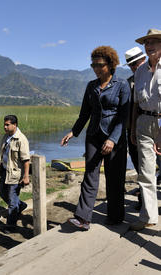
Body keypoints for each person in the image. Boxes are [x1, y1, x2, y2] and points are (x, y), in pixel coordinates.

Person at [61, 46, 130, 230]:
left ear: (110, 64)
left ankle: (115, 216)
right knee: (90, 175)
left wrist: (113, 139)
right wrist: (73, 132)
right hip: (93, 135)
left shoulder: (122, 85)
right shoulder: (91, 86)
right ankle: (83, 218)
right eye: (93, 65)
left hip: (114, 138)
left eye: (100, 65)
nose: (96, 68)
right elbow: (84, 113)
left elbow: (124, 116)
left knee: (114, 178)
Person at [131, 29, 161, 231]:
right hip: (143, 123)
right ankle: (148, 216)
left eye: (153, 42)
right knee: (146, 172)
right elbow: (136, 104)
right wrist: (133, 128)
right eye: (146, 43)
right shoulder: (140, 71)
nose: (149, 46)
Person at [0, 115, 30, 233]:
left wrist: (26, 176)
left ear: (14, 125)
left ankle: (11, 225)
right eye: (4, 124)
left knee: (12, 200)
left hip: (16, 174)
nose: (5, 127)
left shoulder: (21, 139)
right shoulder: (6, 136)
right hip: (5, 170)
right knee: (2, 193)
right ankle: (21, 206)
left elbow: (26, 160)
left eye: (7, 125)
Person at [124, 47, 146, 209]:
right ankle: (144, 199)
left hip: (151, 129)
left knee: (149, 165)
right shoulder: (129, 82)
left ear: (143, 60)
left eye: (136, 63)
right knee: (139, 165)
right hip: (132, 130)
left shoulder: (154, 76)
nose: (134, 67)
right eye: (131, 65)